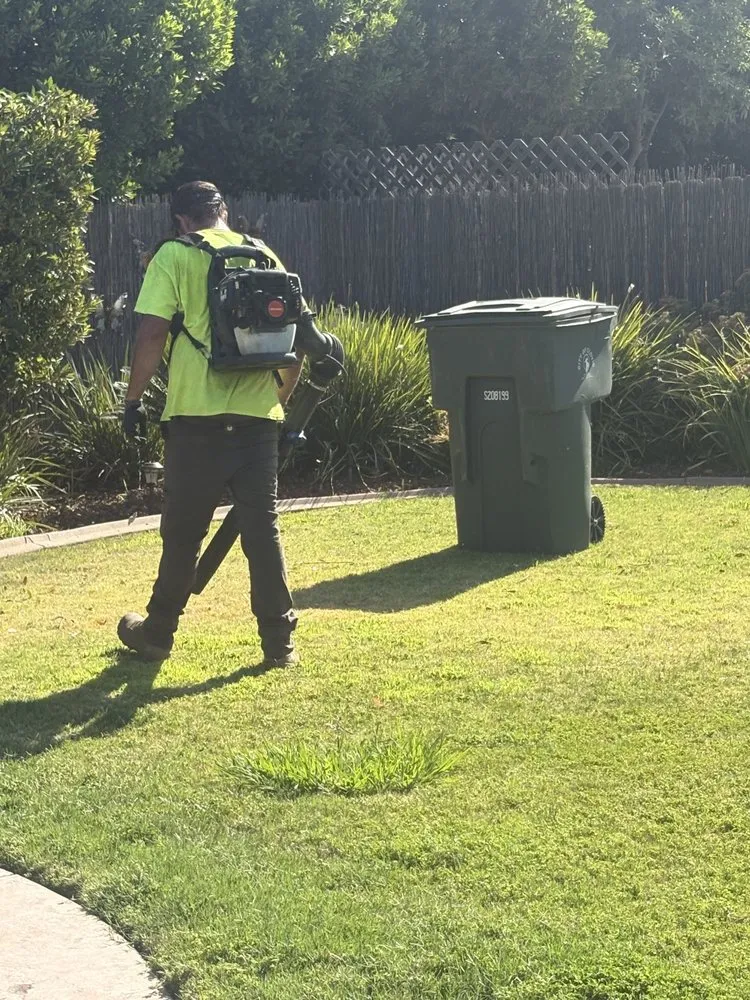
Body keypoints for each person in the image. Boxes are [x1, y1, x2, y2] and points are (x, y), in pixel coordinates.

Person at [117, 181, 301, 667]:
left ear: (180, 221)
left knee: (183, 533)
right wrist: (275, 399)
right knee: (263, 532)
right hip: (259, 420)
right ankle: (279, 645)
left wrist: (133, 401)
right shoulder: (263, 255)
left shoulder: (174, 256)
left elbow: (153, 331)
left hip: (196, 420)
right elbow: (297, 339)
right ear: (224, 212)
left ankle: (157, 635)